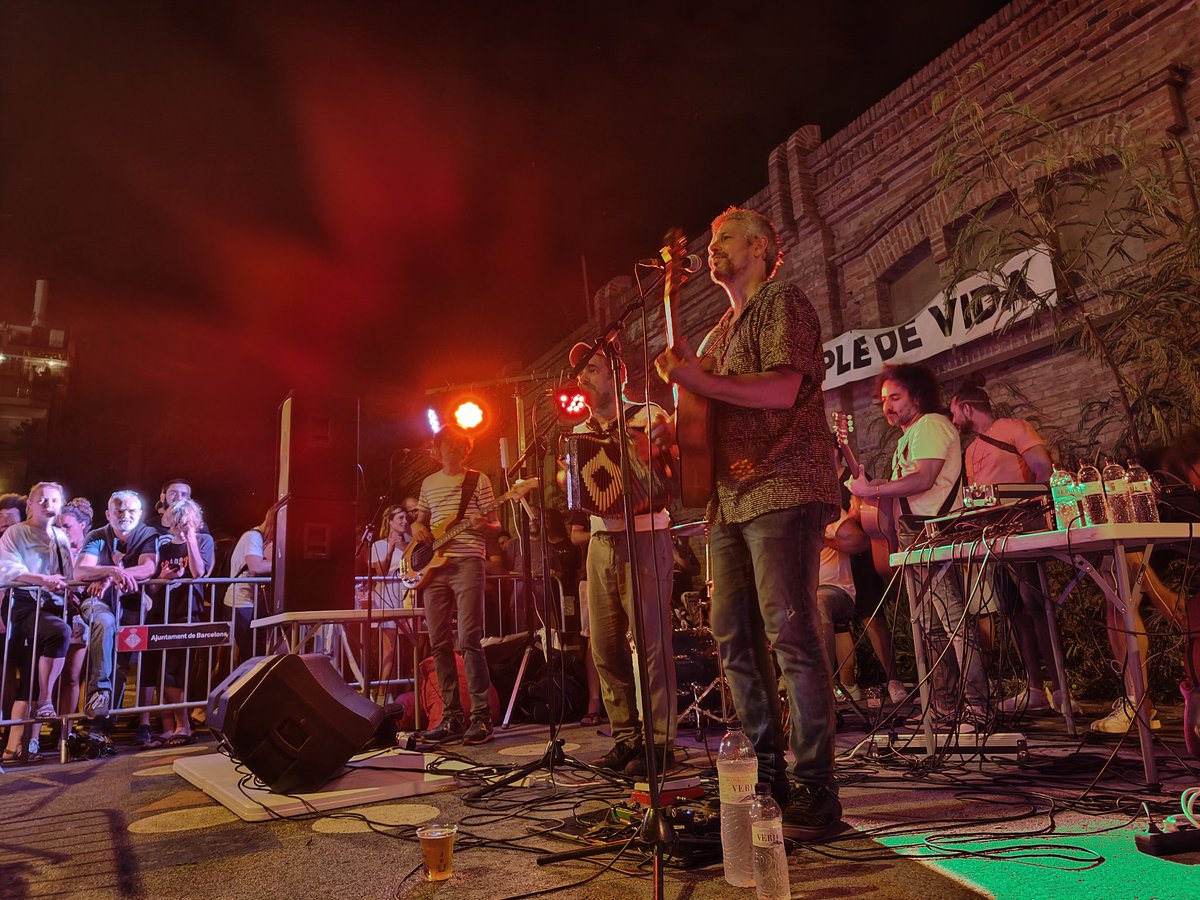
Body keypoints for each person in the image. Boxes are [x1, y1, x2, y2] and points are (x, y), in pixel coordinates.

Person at [657, 206, 840, 837]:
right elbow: (708, 411)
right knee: (732, 635)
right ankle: (766, 774)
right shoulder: (715, 334)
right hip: (730, 498)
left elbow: (781, 389)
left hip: (784, 483)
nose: (713, 250)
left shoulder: (782, 301)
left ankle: (818, 786)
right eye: (709, 242)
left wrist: (698, 380)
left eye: (725, 238)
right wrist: (675, 419)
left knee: (790, 633)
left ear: (761, 247)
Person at [850, 363, 990, 728]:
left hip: (935, 532)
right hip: (917, 534)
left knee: (952, 620)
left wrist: (873, 489)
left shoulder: (930, 425)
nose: (887, 407)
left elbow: (924, 478)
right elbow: (909, 483)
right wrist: (876, 486)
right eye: (883, 400)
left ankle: (977, 708)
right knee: (930, 625)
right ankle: (944, 708)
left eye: (895, 397)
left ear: (917, 395)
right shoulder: (909, 437)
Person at [573, 339, 678, 776]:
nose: (584, 378)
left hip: (647, 536)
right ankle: (625, 737)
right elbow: (582, 495)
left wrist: (652, 447)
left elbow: (670, 473)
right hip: (601, 542)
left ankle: (661, 741)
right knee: (605, 646)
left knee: (652, 645)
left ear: (618, 374)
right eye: (581, 372)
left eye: (593, 369)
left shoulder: (648, 415)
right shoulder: (579, 433)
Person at [948, 376, 1070, 718]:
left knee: (1036, 605)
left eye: (954, 412)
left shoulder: (1015, 427)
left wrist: (1029, 508)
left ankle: (1060, 689)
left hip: (1024, 530)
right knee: (1011, 609)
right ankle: (1034, 688)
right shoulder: (970, 451)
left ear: (968, 408)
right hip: (993, 538)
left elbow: (1043, 469)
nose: (953, 420)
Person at [412, 426, 499, 745]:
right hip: (435, 567)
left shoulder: (479, 479)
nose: (451, 448)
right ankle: (451, 717)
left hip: (467, 562)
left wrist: (483, 524)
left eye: (457, 444)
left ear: (465, 448)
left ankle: (481, 717)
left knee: (469, 638)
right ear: (438, 448)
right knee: (438, 641)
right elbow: (421, 520)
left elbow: (495, 523)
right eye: (446, 444)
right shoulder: (428, 483)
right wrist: (417, 525)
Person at [74, 491, 163, 723]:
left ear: (141, 514)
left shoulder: (147, 534)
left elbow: (148, 568)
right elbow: (81, 570)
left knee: (122, 665)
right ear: (108, 514)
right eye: (120, 510)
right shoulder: (96, 535)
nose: (126, 515)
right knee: (104, 622)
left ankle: (105, 728)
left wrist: (109, 577)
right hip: (97, 602)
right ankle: (99, 695)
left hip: (131, 605)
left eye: (132, 510)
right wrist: (111, 571)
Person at [0, 483, 73, 764]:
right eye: (41, 499)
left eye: (54, 499)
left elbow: (67, 574)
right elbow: (8, 570)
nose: (47, 504)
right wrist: (42, 580)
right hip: (23, 606)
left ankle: (19, 747)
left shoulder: (60, 537)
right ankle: (45, 700)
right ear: (29, 504)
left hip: (53, 607)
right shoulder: (16, 533)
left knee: (31, 676)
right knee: (58, 633)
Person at [144, 499, 214, 745]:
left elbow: (199, 573)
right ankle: (167, 726)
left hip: (187, 612)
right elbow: (150, 587)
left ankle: (183, 725)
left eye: (186, 521)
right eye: (177, 521)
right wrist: (162, 577)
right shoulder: (162, 546)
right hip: (161, 612)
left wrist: (192, 538)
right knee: (160, 672)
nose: (181, 525)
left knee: (174, 671)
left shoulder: (203, 540)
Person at [222, 503, 277, 667]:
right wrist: (284, 562)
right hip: (240, 603)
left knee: (253, 652)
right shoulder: (252, 537)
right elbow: (256, 567)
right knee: (250, 654)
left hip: (248, 603)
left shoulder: (259, 538)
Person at [55, 498, 94, 727]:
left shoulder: (91, 550)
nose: (61, 530)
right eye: (59, 526)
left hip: (78, 617)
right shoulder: (51, 548)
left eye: (66, 526)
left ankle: (64, 729)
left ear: (83, 525)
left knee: (71, 674)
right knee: (49, 676)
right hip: (52, 614)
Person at [370, 503, 413, 702]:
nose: (405, 522)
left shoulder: (411, 542)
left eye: (406, 518)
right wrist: (391, 549)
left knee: (412, 646)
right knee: (390, 647)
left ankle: (406, 692)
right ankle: (381, 694)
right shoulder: (378, 545)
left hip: (407, 596)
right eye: (400, 519)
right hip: (387, 597)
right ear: (390, 522)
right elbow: (381, 571)